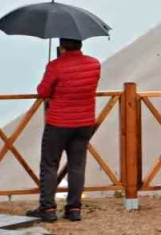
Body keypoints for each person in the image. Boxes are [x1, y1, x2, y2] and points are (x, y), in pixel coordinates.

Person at [26, 38, 101, 223]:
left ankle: (48, 209)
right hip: (84, 123)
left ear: (62, 46)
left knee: (50, 164)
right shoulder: (94, 64)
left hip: (59, 123)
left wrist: (52, 68)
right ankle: (74, 209)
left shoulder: (56, 66)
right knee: (77, 165)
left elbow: (43, 92)